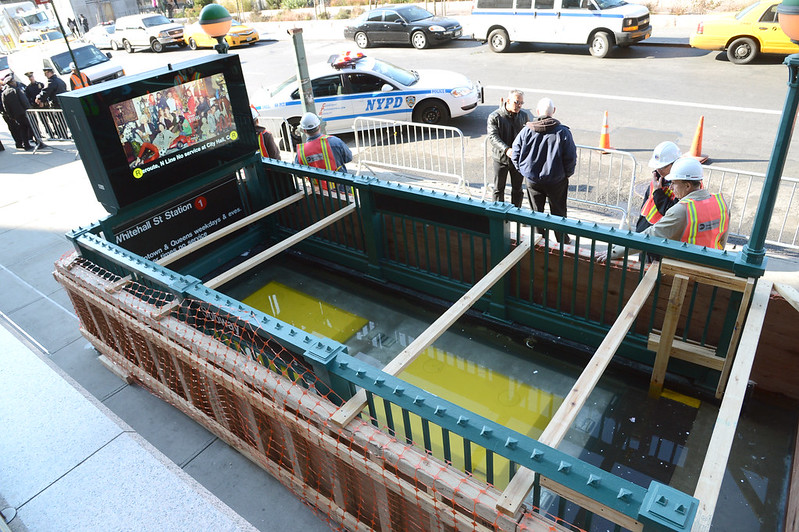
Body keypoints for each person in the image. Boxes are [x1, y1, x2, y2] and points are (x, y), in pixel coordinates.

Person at [598, 157, 730, 262]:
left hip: (685, 269)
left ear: (688, 185)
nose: (671, 187)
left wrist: (615, 251)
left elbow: (650, 235)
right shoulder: (721, 203)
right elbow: (721, 241)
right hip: (711, 266)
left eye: (674, 183)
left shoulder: (682, 210)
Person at [511, 97, 577, 243]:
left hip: (533, 180)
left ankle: (539, 239)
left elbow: (515, 154)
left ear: (538, 111)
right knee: (558, 212)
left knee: (536, 212)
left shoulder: (526, 131)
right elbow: (570, 157)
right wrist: (567, 174)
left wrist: (523, 171)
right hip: (557, 180)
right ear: (553, 111)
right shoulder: (563, 132)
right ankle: (562, 240)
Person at [487, 89, 529, 207]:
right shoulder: (495, 116)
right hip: (500, 159)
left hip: (517, 160)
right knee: (498, 189)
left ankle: (516, 213)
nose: (519, 105)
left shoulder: (524, 116)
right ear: (508, 101)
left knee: (517, 189)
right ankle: (498, 215)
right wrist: (506, 149)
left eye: (521, 103)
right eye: (517, 102)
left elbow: (527, 136)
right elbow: (493, 137)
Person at [636, 141, 681, 232]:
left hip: (661, 235)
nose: (658, 170)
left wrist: (658, 193)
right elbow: (646, 204)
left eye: (662, 167)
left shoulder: (683, 185)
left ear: (675, 164)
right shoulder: (657, 178)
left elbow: (673, 214)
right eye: (657, 167)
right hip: (644, 230)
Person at [1, 73, 34, 150]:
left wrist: (11, 116)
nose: (15, 82)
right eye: (13, 81)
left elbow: (6, 107)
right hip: (24, 113)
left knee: (23, 129)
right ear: (11, 82)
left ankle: (26, 145)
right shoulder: (16, 90)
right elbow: (24, 101)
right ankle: (38, 142)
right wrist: (29, 109)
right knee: (31, 127)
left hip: (16, 116)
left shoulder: (4, 93)